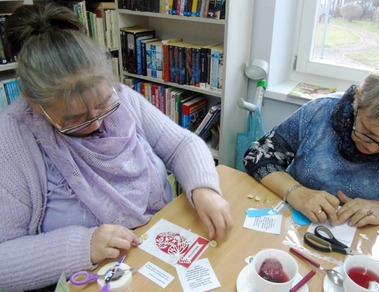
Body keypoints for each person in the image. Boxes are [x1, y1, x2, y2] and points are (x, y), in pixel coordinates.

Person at [0, 3, 232, 291]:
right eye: (75, 119)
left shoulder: (121, 97)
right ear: (34, 104)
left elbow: (182, 144)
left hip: (156, 255)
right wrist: (82, 247)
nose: (97, 124)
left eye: (102, 106)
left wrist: (204, 188)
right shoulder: (11, 139)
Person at [244, 63, 379, 238]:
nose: (371, 147)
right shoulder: (321, 112)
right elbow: (259, 155)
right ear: (358, 99)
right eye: (367, 132)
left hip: (367, 247)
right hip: (293, 227)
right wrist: (297, 192)